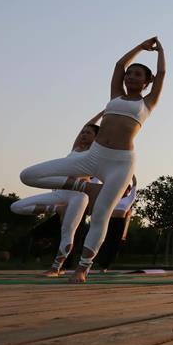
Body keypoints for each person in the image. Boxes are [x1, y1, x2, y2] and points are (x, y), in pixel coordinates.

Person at [20, 36, 165, 282]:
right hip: (93, 156)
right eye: (130, 74)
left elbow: (162, 73)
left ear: (147, 82)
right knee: (28, 175)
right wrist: (141, 48)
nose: (130, 76)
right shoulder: (115, 95)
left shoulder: (148, 103)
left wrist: (160, 49)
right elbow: (119, 65)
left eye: (137, 75)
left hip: (120, 163)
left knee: (100, 214)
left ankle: (83, 268)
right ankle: (83, 186)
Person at [11, 111, 103, 276]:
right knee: (16, 207)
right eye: (83, 132)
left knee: (67, 231)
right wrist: (102, 112)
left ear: (96, 138)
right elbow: (85, 125)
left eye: (88, 133)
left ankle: (56, 267)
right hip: (60, 194)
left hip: (78, 195)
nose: (83, 134)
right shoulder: (75, 149)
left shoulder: (94, 154)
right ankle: (56, 208)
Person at [96, 175, 137, 272]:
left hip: (119, 222)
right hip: (109, 221)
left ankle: (106, 266)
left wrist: (131, 173)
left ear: (128, 190)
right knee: (104, 241)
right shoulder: (114, 197)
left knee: (114, 244)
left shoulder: (130, 199)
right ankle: (99, 262)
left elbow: (135, 184)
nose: (123, 191)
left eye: (126, 189)